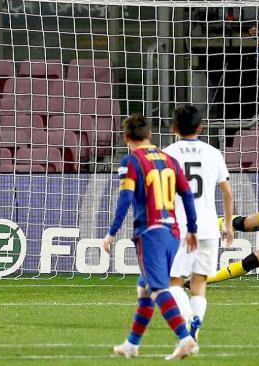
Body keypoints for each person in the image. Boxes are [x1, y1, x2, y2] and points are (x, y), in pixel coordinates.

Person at [102, 114, 199, 360]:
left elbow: (125, 198)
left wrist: (112, 232)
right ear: (150, 135)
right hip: (173, 232)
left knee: (157, 288)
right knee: (144, 286)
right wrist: (193, 229)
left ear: (126, 137)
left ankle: (185, 338)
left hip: (150, 232)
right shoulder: (169, 159)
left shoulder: (131, 161)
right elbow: (187, 195)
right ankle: (131, 345)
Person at [163, 104, 234, 347]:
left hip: (179, 228)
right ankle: (194, 331)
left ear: (174, 128)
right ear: (200, 127)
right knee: (199, 283)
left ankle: (189, 322)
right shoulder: (213, 153)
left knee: (172, 282)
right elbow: (226, 192)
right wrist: (228, 225)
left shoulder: (167, 154)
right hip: (208, 228)